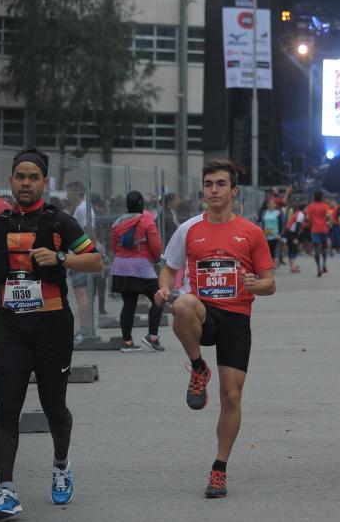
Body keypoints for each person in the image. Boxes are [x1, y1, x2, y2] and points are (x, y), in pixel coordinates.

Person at [0, 149, 103, 520]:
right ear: (11, 181)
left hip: (52, 327)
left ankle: (61, 465)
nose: (26, 183)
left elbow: (96, 261)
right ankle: (6, 490)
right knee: (6, 409)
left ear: (44, 183)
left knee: (55, 408)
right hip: (10, 326)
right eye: (20, 176)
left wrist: (62, 259)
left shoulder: (61, 222)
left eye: (33, 177)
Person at [154, 159, 275, 498]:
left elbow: (270, 284)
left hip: (237, 318)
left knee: (231, 396)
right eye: (209, 184)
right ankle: (197, 367)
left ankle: (219, 469)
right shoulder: (190, 229)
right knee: (181, 304)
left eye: (221, 184)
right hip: (204, 313)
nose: (214, 190)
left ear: (234, 190)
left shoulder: (251, 232)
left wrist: (255, 285)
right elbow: (169, 269)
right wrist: (164, 286)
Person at [110, 190, 165, 352]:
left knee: (128, 304)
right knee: (159, 299)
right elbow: (155, 245)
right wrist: (156, 259)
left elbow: (114, 246)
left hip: (120, 267)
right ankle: (152, 337)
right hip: (141, 268)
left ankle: (127, 342)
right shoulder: (147, 221)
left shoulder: (117, 223)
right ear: (142, 204)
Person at [65, 180, 96, 344]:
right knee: (81, 293)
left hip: (80, 258)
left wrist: (86, 255)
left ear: (76, 193)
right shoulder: (82, 208)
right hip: (80, 257)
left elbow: (88, 231)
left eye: (69, 192)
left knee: (81, 293)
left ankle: (85, 329)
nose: (67, 195)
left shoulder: (83, 208)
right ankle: (85, 328)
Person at [306, 191, 331, 277]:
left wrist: (311, 223)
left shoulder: (310, 206)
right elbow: (328, 216)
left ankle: (318, 268)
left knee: (316, 249)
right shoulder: (325, 206)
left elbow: (307, 218)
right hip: (324, 229)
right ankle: (324, 264)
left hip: (314, 229)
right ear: (322, 197)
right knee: (324, 247)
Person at [283, 202, 306, 273]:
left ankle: (292, 266)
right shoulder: (301, 214)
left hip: (289, 232)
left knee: (290, 249)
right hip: (292, 233)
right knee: (294, 250)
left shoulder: (297, 213)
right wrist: (295, 237)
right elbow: (297, 226)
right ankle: (293, 266)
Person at [261, 198, 283, 263]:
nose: (271, 205)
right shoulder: (264, 212)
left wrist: (279, 234)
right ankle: (268, 264)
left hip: (275, 235)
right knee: (267, 251)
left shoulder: (278, 213)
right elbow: (262, 223)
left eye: (273, 204)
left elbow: (281, 224)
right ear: (267, 205)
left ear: (275, 205)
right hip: (266, 234)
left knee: (274, 250)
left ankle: (274, 264)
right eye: (270, 204)